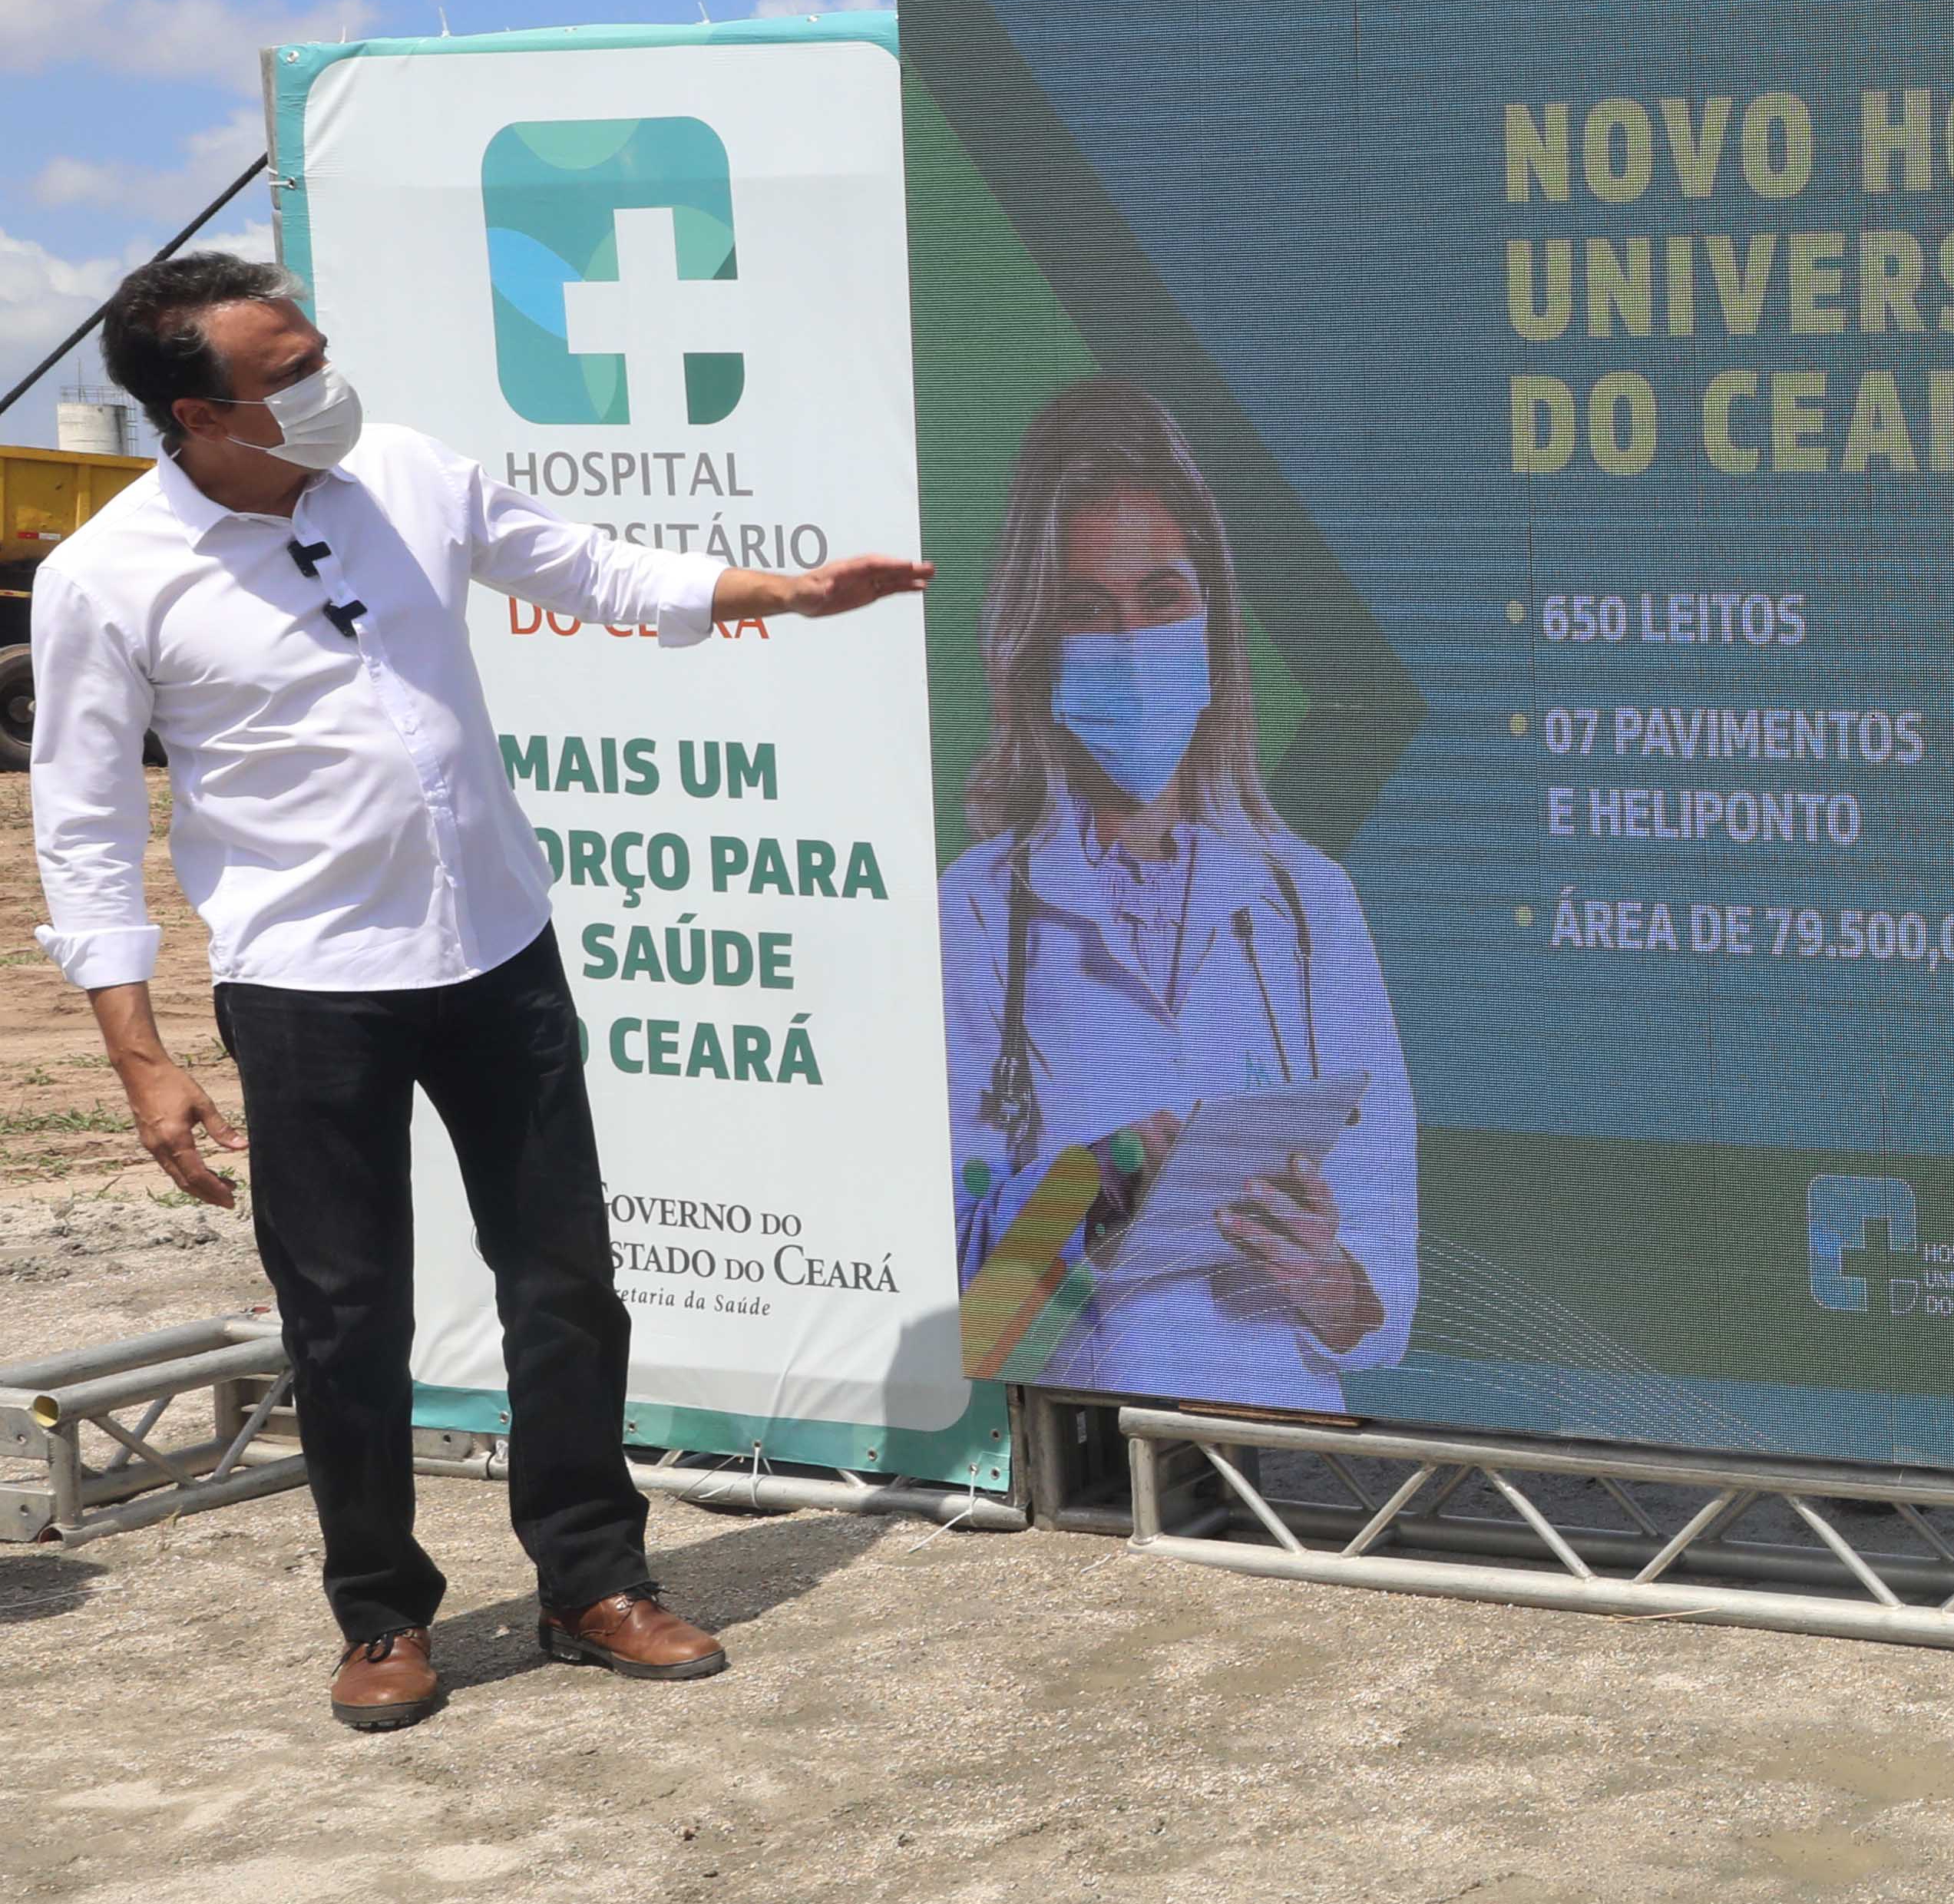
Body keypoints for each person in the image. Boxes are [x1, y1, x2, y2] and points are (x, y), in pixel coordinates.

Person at [25, 253, 932, 1732]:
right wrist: (139, 1055)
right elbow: (77, 830)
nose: (329, 386)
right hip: (309, 986)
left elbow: (586, 568)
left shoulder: (404, 474)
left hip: (496, 952)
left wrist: (783, 590)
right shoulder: (107, 576)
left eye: (324, 352)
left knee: (565, 1278)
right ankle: (380, 1612)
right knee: (346, 1313)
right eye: (291, 372)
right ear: (199, 413)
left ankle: (594, 1579)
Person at [937, 378, 1414, 1407]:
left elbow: (1382, 1294)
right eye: (1086, 609)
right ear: (1038, 647)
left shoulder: (1307, 903)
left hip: (1285, 1467)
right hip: (1080, 1461)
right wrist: (1096, 1184)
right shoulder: (975, 914)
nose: (1131, 644)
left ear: (1213, 622)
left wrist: (1322, 1276)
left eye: (1161, 599)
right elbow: (966, 1311)